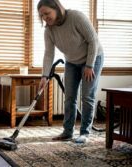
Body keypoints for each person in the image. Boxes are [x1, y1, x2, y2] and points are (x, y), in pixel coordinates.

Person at [37, 0, 104, 143]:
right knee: (69, 98)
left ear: (57, 8)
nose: (45, 17)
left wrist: (89, 65)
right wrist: (44, 76)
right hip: (72, 62)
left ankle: (85, 133)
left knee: (87, 97)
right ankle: (67, 132)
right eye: (42, 15)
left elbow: (93, 40)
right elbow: (49, 54)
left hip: (92, 58)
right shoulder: (49, 30)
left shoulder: (76, 17)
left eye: (47, 13)